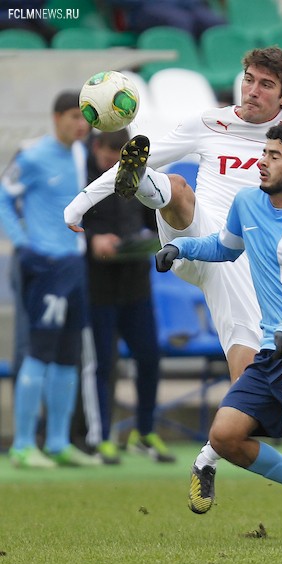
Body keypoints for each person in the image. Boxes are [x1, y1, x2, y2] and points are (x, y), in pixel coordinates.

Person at [64, 46, 282, 508]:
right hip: (197, 243)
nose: (252, 90)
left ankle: (250, 470)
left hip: (245, 271)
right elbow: (130, 161)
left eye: (266, 84)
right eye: (249, 79)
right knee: (174, 187)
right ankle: (145, 185)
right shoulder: (208, 123)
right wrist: (79, 205)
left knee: (245, 413)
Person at [156, 121, 282, 547]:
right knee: (226, 436)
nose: (261, 161)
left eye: (273, 156)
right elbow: (226, 247)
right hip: (275, 344)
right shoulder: (248, 201)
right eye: (263, 152)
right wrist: (183, 248)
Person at [0, 91, 101, 468]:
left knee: (67, 357)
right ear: (56, 117)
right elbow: (2, 196)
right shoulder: (33, 155)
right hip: (45, 265)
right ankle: (24, 444)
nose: (81, 124)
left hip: (74, 265)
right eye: (75, 116)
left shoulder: (79, 152)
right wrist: (24, 244)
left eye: (85, 118)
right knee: (39, 353)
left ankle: (58, 441)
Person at [83, 129, 175, 464]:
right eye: (108, 154)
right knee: (104, 363)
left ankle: (145, 432)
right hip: (98, 286)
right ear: (96, 148)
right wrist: (93, 240)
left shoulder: (136, 175)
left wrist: (150, 238)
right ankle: (102, 437)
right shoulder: (82, 174)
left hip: (136, 282)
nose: (113, 162)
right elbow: (71, 222)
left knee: (149, 357)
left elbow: (155, 219)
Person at [108, 0, 226, 40]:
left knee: (214, 22)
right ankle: (185, 64)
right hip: (143, 9)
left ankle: (220, 64)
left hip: (178, 5)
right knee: (180, 20)